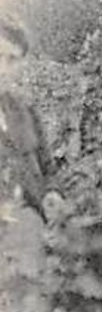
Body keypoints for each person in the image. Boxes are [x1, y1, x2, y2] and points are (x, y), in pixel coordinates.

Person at [0, 20, 55, 215]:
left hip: (33, 231)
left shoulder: (25, 109)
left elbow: (47, 167)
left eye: (13, 59)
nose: (3, 69)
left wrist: (52, 193)